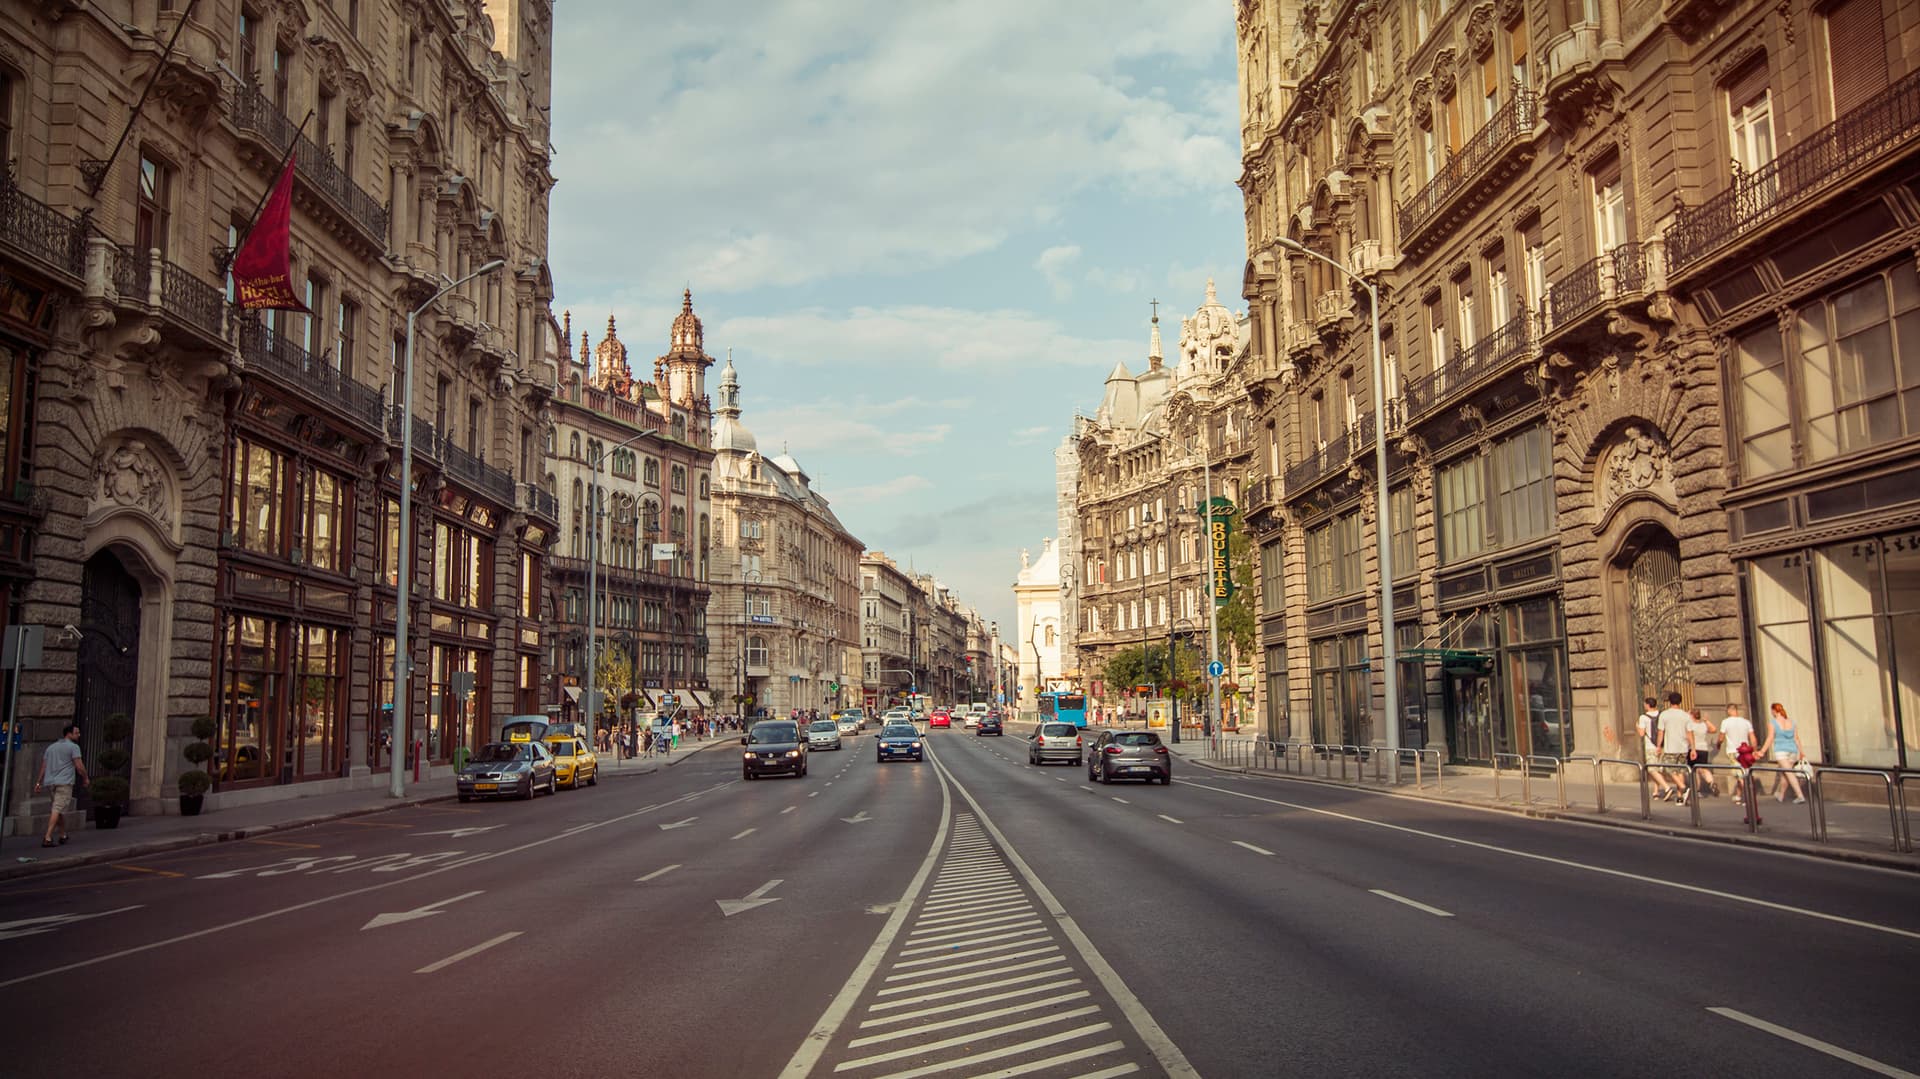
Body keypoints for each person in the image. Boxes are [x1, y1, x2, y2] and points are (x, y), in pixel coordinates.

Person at [34, 723, 89, 848]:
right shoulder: (73, 747)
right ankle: (47, 837)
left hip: (50, 782)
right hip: (64, 782)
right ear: (69, 734)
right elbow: (79, 766)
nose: (79, 735)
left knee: (58, 809)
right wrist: (85, 778)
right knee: (57, 808)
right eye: (76, 733)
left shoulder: (51, 747)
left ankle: (63, 834)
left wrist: (38, 782)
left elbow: (43, 766)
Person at [1761, 702, 1809, 804]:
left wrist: (1762, 751)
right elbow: (1796, 738)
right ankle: (1781, 795)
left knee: (1789, 773)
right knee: (1785, 774)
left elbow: (1770, 738)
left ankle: (1800, 795)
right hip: (1793, 750)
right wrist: (1801, 752)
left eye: (1772, 711)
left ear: (1774, 711)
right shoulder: (1792, 722)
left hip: (1781, 750)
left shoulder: (1773, 723)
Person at [1636, 696, 1679, 802]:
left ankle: (1666, 787)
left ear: (1647, 705)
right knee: (1659, 768)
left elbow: (1641, 733)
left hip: (1651, 746)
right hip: (1662, 745)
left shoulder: (1643, 717)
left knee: (1651, 769)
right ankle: (1656, 791)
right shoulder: (1662, 715)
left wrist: (1637, 726)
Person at [1655, 691, 1694, 805]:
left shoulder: (1664, 715)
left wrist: (1658, 746)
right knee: (1680, 771)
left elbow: (1661, 732)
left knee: (1669, 769)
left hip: (1670, 747)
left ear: (1669, 702)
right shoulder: (1685, 715)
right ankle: (1680, 797)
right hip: (1683, 747)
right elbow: (1690, 733)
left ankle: (1683, 787)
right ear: (1680, 701)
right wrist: (1693, 748)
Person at [1719, 705, 1757, 806]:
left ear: (1729, 710)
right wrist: (1754, 750)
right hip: (1746, 751)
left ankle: (1748, 797)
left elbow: (1721, 737)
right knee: (1744, 772)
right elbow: (1752, 737)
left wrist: (1718, 744)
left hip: (1733, 751)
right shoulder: (1746, 722)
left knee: (1740, 775)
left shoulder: (1725, 722)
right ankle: (1738, 795)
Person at [1686, 708, 1720, 797]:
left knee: (1695, 770)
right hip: (1704, 749)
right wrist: (1706, 721)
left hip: (1693, 749)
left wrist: (1692, 749)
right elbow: (1714, 729)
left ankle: (1697, 790)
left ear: (1692, 715)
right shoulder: (1703, 725)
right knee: (1704, 768)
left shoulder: (1690, 725)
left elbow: (1689, 737)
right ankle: (1711, 782)